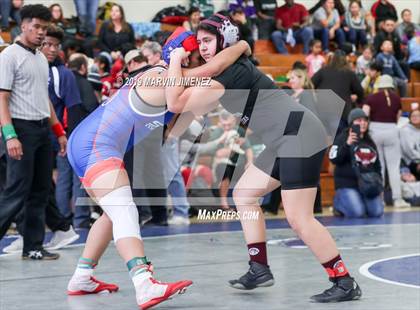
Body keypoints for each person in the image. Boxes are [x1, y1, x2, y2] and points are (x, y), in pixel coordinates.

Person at [166, 13, 362, 303]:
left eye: (208, 41)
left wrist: (172, 60)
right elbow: (236, 49)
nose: (204, 47)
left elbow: (174, 102)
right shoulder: (229, 62)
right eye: (201, 42)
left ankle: (344, 280)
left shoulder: (225, 76)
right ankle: (259, 267)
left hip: (298, 135)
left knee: (299, 218)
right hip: (285, 137)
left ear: (223, 40)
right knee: (244, 194)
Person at [65, 27, 251, 308]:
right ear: (183, 57)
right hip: (94, 146)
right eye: (197, 55)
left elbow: (176, 128)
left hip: (91, 144)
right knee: (126, 209)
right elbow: (215, 68)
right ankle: (144, 283)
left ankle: (82, 276)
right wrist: (242, 46)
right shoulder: (160, 76)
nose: (202, 60)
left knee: (112, 213)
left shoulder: (170, 84)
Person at [0, 4, 67, 260]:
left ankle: (33, 246)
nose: (41, 33)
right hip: (21, 129)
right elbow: (2, 99)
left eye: (44, 28)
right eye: (36, 27)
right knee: (16, 192)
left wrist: (58, 131)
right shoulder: (9, 56)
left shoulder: (40, 58)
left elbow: (45, 100)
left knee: (40, 191)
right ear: (23, 25)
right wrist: (10, 135)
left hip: (41, 130)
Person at [362, 75, 411, 208]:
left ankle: (380, 199)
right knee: (394, 167)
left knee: (379, 166)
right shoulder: (396, 98)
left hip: (375, 130)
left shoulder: (371, 98)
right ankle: (397, 199)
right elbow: (398, 116)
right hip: (391, 130)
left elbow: (364, 114)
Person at [329, 108, 384, 218]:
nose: (362, 123)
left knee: (377, 212)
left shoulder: (369, 141)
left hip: (367, 184)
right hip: (347, 184)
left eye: (364, 120)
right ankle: (338, 203)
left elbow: (377, 166)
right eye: (358, 121)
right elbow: (334, 159)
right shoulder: (342, 137)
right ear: (351, 123)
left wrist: (379, 186)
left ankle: (359, 201)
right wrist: (347, 144)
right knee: (357, 213)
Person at [312, 50, 364, 132]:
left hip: (322, 111)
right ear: (345, 60)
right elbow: (360, 91)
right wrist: (358, 101)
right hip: (341, 112)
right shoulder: (349, 73)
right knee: (338, 140)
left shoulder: (323, 70)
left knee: (321, 140)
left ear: (332, 59)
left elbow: (310, 85)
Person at [400, 109, 420, 181]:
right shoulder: (405, 131)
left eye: (418, 115)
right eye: (413, 116)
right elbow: (409, 152)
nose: (415, 117)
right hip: (409, 162)